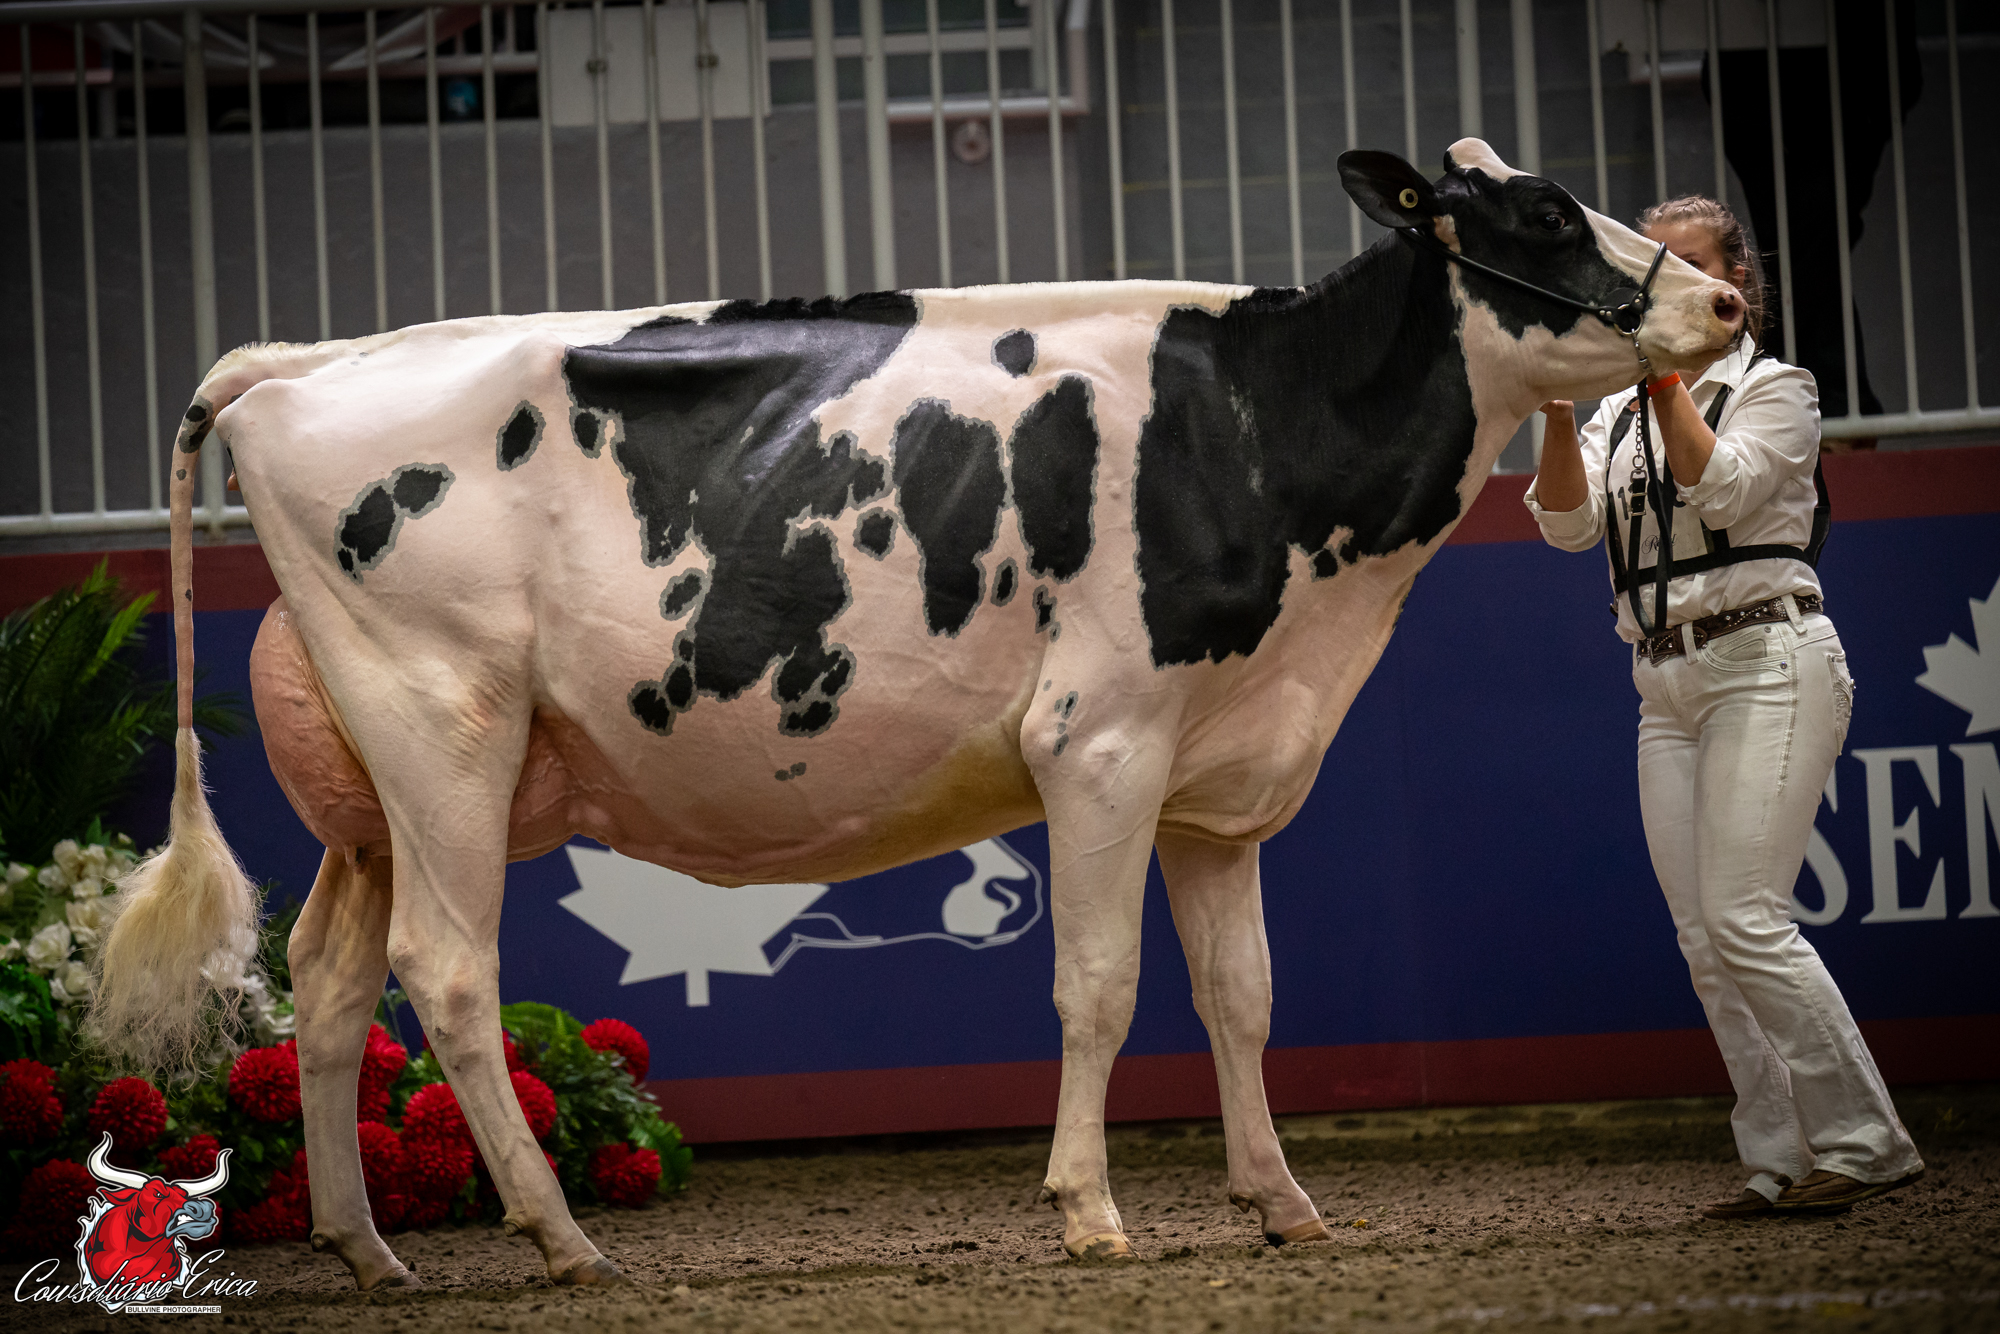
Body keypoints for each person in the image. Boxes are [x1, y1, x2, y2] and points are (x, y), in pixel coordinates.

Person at [1523, 195, 1924, 1219]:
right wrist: (1560, 407)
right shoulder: (1619, 409)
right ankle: (1779, 1155)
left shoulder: (1776, 387)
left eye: (1689, 264)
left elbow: (1725, 490)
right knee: (1704, 940)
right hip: (1662, 682)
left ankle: (1866, 1139)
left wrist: (1659, 373)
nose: (1664, 282)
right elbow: (1566, 526)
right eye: (1651, 264)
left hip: (1767, 656)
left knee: (1745, 917)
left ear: (1734, 283)